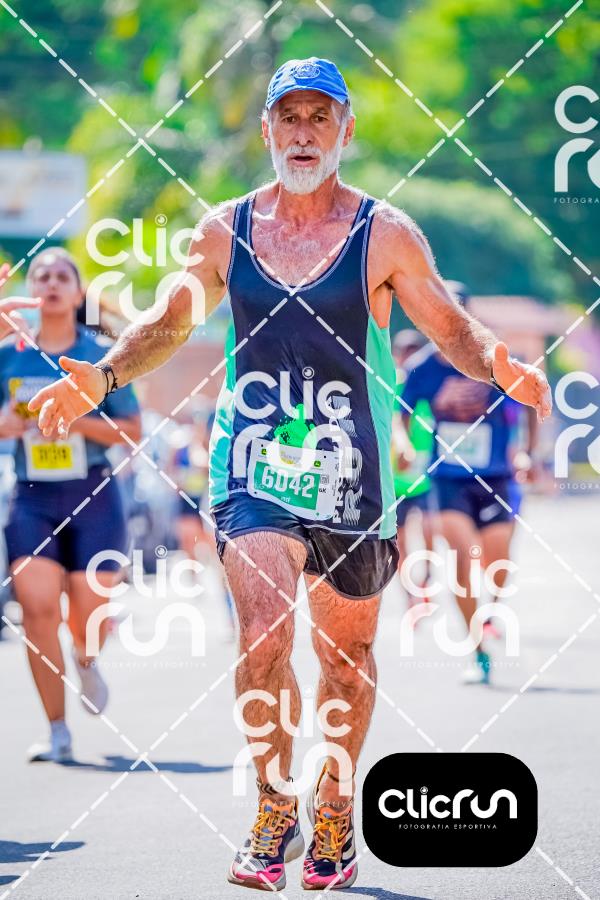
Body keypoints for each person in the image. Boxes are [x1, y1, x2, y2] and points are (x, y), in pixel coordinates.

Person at [28, 58, 551, 891]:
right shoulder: (224, 232)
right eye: (289, 118)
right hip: (253, 464)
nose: (303, 134)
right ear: (267, 128)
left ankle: (334, 806)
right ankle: (275, 804)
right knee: (265, 633)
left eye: (320, 118)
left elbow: (450, 326)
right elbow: (169, 319)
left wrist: (497, 363)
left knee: (346, 656)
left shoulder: (385, 233)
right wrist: (101, 374)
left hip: (356, 471)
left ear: (345, 130)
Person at [0, 247, 141, 762]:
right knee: (37, 611)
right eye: (41, 275)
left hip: (93, 494)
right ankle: (57, 730)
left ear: (79, 292)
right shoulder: (9, 354)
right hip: (32, 495)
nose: (52, 283)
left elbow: (132, 431)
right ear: (31, 291)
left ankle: (86, 657)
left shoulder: (100, 354)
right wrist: (9, 425)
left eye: (63, 275)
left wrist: (73, 418)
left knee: (88, 609)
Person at [401, 282, 540, 684]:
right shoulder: (422, 367)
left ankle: (490, 610)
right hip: (448, 477)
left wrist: (528, 452)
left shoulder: (496, 358)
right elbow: (403, 413)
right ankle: (477, 650)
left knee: (497, 563)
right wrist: (405, 444)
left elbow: (530, 401)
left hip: (495, 476)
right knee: (462, 561)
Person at [391, 329, 436, 612]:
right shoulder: (391, 384)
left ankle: (427, 578)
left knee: (431, 530)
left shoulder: (426, 382)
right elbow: (394, 419)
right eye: (404, 353)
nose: (408, 359)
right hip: (397, 474)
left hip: (427, 471)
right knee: (401, 539)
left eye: (413, 353)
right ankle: (409, 593)